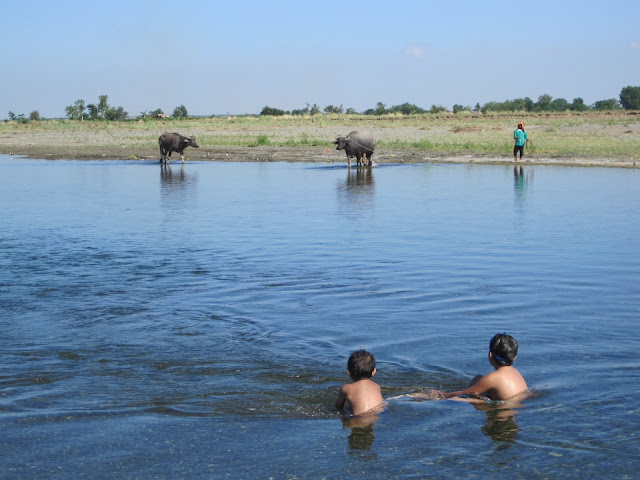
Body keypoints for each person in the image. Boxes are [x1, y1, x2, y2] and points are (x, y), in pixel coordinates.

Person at [428, 333, 528, 401]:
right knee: (478, 379)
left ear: (490, 355)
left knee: (464, 398)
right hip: (514, 408)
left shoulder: (493, 378)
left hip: (501, 411)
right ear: (514, 357)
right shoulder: (515, 373)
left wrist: (438, 395)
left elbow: (464, 393)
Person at [335, 349, 384, 416]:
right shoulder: (377, 386)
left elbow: (338, 407)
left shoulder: (346, 388)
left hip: (357, 421)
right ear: (374, 372)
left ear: (349, 372)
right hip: (376, 419)